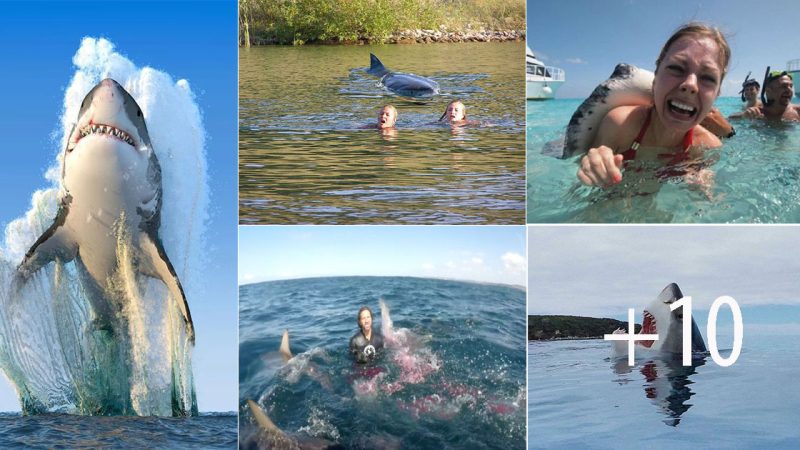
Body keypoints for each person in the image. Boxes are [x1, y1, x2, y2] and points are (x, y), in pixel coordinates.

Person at [577, 23, 730, 188]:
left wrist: (704, 193)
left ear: (717, 93)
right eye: (677, 68)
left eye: (708, 78)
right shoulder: (620, 125)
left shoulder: (708, 148)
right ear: (656, 76)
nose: (690, 85)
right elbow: (586, 187)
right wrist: (594, 166)